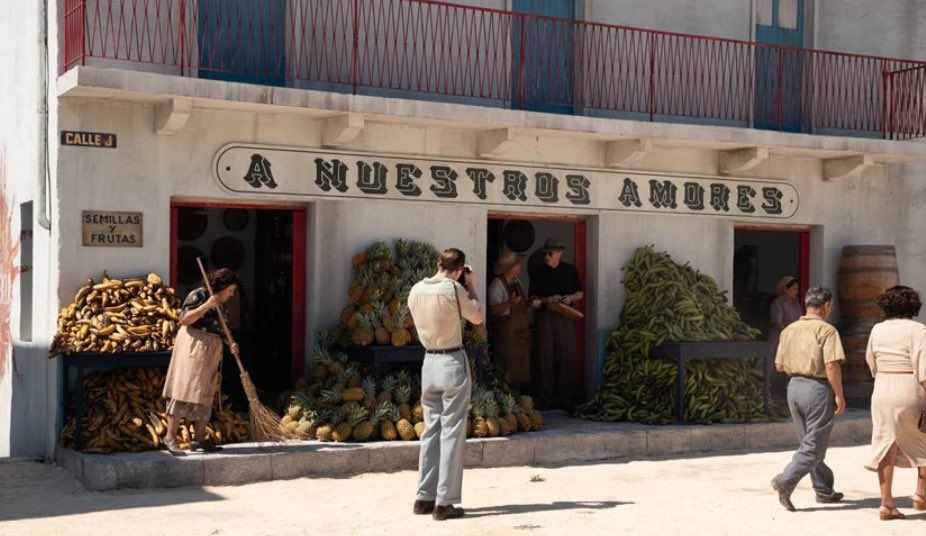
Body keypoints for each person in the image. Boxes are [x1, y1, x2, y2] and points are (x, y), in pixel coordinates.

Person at [407, 248, 483, 521]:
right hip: (451, 360)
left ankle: (423, 497)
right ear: (459, 269)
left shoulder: (416, 289)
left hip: (428, 361)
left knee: (431, 431)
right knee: (452, 432)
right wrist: (471, 285)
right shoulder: (453, 288)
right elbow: (476, 317)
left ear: (438, 264)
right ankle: (444, 502)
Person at [771, 286, 846, 511]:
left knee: (809, 442)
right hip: (817, 388)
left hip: (794, 387)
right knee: (815, 445)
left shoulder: (789, 330)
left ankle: (823, 490)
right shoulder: (827, 331)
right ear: (826, 306)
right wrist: (840, 396)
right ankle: (786, 480)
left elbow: (779, 365)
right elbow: (832, 365)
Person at [162, 268, 240, 455]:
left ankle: (199, 439)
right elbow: (185, 320)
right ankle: (170, 437)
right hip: (193, 347)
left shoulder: (223, 306)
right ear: (221, 287)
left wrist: (231, 343)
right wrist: (206, 305)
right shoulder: (199, 295)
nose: (231, 295)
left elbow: (222, 330)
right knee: (184, 388)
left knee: (205, 392)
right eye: (229, 290)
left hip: (211, 351)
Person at [863, 285, 926, 520]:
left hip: (882, 388)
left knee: (886, 442)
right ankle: (921, 494)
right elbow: (924, 367)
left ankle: (886, 503)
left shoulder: (877, 329)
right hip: (909, 386)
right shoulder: (918, 329)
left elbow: (871, 361)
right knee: (922, 437)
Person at [529, 237, 583, 409]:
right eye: (545, 252)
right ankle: (545, 398)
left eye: (550, 253)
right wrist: (545, 300)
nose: (547, 256)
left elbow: (580, 293)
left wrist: (570, 298)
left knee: (566, 356)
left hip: (565, 316)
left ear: (559, 253)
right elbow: (532, 297)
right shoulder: (538, 272)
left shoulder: (570, 270)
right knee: (545, 356)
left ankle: (565, 399)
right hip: (546, 316)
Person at [488, 250, 531, 390]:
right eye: (518, 264)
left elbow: (523, 302)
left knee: (519, 371)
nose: (520, 266)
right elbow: (492, 311)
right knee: (506, 371)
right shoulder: (497, 285)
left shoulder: (516, 281)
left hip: (519, 335)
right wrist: (509, 303)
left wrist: (532, 302)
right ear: (510, 268)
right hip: (506, 336)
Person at [769, 275, 803, 344]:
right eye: (794, 289)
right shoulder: (779, 303)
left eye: (797, 289)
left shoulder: (796, 302)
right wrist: (789, 334)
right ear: (785, 289)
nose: (797, 292)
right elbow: (779, 323)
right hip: (781, 338)